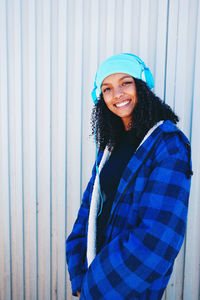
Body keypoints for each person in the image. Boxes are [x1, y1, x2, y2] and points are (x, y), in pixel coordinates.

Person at [66, 53, 192, 300]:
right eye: (107, 88)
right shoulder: (109, 145)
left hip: (129, 287)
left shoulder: (168, 145)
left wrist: (95, 287)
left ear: (142, 85)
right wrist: (79, 273)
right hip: (91, 280)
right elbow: (88, 209)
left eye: (126, 82)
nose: (118, 94)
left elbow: (158, 240)